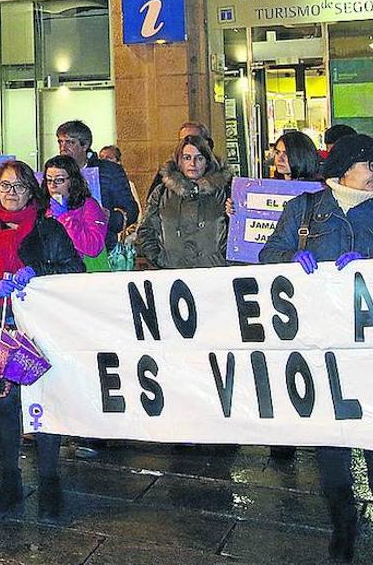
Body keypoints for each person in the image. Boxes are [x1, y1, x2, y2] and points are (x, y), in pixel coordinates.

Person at [259, 133, 373, 562]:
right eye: (369, 164)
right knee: (331, 443)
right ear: (345, 167)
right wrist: (290, 260)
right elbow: (269, 254)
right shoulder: (304, 208)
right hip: (320, 344)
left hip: (367, 346)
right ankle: (343, 523)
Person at [0, 160, 84, 519]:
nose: (11, 193)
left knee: (44, 404)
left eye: (18, 186)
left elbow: (74, 269)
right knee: (5, 407)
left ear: (31, 191)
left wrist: (38, 274)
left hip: (40, 330)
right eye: (4, 186)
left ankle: (49, 482)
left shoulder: (48, 230)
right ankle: (10, 482)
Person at [138, 136, 233, 269]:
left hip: (213, 272)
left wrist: (224, 259)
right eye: (187, 158)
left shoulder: (224, 193)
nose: (193, 163)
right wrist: (158, 258)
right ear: (179, 161)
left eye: (199, 158)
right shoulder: (161, 193)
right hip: (172, 272)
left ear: (207, 162)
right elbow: (146, 230)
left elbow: (238, 234)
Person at [55, 120, 138, 251]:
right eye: (60, 142)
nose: (63, 147)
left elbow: (131, 210)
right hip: (62, 246)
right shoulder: (54, 170)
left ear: (85, 145)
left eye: (70, 142)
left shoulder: (109, 171)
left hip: (101, 245)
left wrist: (110, 217)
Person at [43, 155, 109, 271]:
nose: (53, 186)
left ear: (72, 181)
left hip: (83, 273)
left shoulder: (88, 205)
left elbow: (94, 247)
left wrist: (65, 218)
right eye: (49, 180)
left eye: (59, 180)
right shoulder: (43, 207)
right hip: (53, 270)